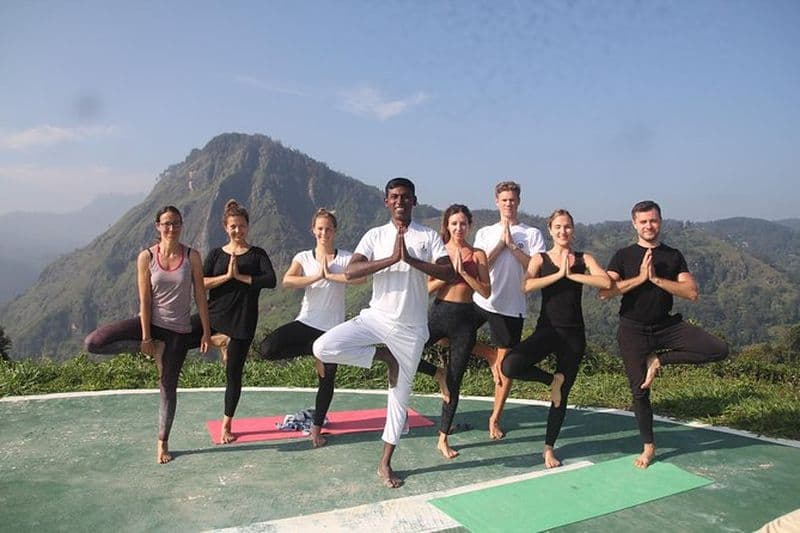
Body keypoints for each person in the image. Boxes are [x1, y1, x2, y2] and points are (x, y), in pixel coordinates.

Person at [312, 177, 454, 488]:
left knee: (399, 400)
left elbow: (449, 272)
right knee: (322, 347)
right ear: (386, 202)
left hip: (412, 329)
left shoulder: (428, 236)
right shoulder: (375, 236)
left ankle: (385, 463)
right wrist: (391, 259)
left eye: (405, 196)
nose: (400, 201)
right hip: (376, 318)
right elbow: (351, 271)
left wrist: (412, 260)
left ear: (414, 201)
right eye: (394, 197)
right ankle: (382, 355)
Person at [601, 200, 729, 468]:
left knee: (718, 349)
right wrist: (639, 278)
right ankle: (649, 447)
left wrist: (656, 279)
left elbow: (692, 292)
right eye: (644, 221)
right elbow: (605, 292)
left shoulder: (673, 255)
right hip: (633, 330)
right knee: (640, 392)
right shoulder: (622, 255)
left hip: (666, 327)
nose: (649, 225)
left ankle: (658, 359)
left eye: (654, 220)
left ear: (660, 221)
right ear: (634, 224)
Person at [84, 206, 211, 463]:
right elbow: (144, 298)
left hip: (178, 330)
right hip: (151, 323)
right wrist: (145, 338)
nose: (171, 228)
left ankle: (162, 443)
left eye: (175, 223)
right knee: (93, 343)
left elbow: (200, 295)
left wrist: (206, 332)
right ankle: (156, 348)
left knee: (168, 387)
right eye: (166, 223)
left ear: (182, 225)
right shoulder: (146, 257)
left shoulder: (192, 256)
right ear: (157, 226)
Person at [502, 209, 610, 468]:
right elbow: (525, 286)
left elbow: (605, 281)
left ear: (573, 230)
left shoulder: (584, 258)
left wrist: (573, 275)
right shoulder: (540, 259)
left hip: (573, 335)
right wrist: (558, 276)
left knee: (561, 397)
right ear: (550, 230)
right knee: (510, 365)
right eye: (558, 227)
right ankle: (552, 380)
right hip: (547, 330)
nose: (563, 231)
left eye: (568, 227)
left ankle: (549, 448)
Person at [258, 208, 364, 448]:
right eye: (320, 229)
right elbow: (288, 280)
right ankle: (313, 350)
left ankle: (316, 431)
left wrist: (333, 276)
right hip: (306, 322)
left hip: (333, 330)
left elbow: (361, 279)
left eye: (328, 229)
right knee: (267, 348)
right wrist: (317, 277)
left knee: (327, 381)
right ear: (313, 231)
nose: (324, 233)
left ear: (335, 231)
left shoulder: (346, 257)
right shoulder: (303, 257)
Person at [190, 199, 276, 444]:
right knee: (182, 331)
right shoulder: (217, 254)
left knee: (233, 374)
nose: (237, 230)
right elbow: (201, 282)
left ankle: (227, 424)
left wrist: (241, 276)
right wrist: (227, 277)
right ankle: (219, 340)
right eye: (233, 226)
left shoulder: (258, 254)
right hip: (215, 314)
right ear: (225, 228)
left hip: (242, 321)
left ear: (248, 226)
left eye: (241, 226)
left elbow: (270, 280)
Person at [471, 180, 546, 439]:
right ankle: (489, 355)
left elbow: (535, 269)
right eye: (504, 200)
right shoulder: (484, 233)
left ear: (519, 202)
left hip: (511, 308)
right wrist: (500, 245)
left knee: (505, 370)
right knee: (447, 337)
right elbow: (481, 265)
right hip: (482, 300)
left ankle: (495, 418)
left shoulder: (532, 234)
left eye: (512, 200)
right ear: (496, 202)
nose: (508, 204)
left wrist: (514, 247)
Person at [416, 205, 491, 459]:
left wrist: (464, 274)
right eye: (454, 223)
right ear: (447, 226)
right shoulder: (440, 252)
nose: (458, 228)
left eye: (463, 223)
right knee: (405, 351)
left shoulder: (478, 254)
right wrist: (450, 274)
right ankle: (435, 372)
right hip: (439, 313)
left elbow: (485, 291)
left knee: (455, 380)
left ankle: (443, 438)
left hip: (465, 320)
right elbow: (425, 289)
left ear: (470, 225)